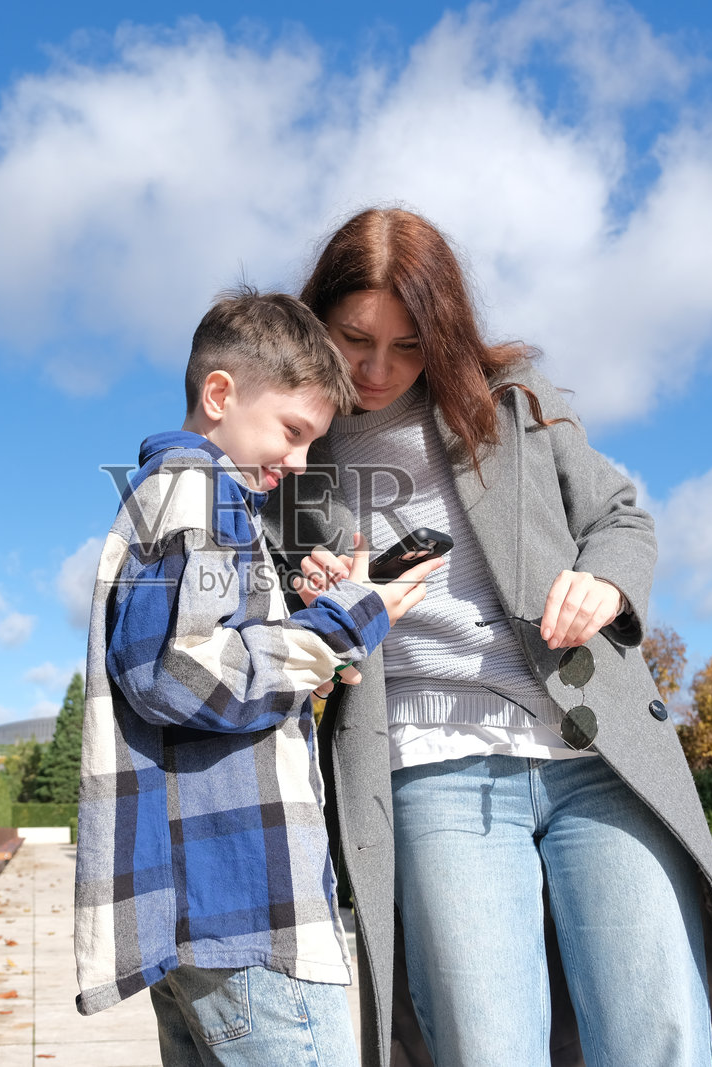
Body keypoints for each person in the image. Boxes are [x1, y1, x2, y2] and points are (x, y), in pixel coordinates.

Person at [263, 208, 712, 1067]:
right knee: (487, 1043)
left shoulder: (510, 404)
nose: (375, 368)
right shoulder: (290, 450)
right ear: (316, 319)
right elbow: (282, 610)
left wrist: (606, 583)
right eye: (354, 337)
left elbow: (619, 515)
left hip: (595, 757)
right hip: (428, 761)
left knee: (659, 1030)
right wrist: (317, 599)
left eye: (407, 346)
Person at [73, 286, 444, 1066]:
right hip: (242, 905)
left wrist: (319, 629)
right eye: (293, 430)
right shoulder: (202, 492)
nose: (300, 462)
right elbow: (179, 671)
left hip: (207, 917)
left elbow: (203, 660)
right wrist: (347, 619)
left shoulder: (186, 497)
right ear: (219, 394)